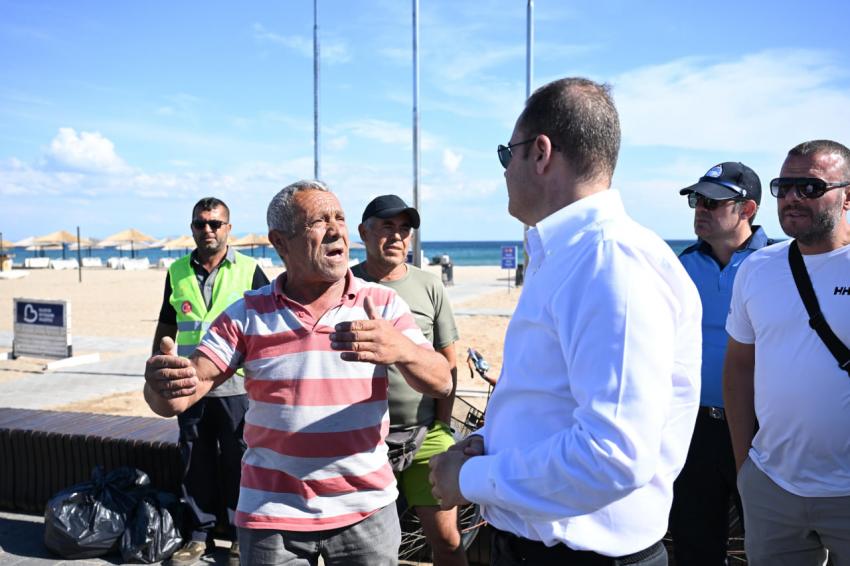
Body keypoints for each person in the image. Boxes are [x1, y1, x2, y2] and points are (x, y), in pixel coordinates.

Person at [429, 77, 702, 565]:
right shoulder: (572, 254)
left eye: (505, 154)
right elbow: (553, 399)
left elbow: (612, 455)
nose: (505, 170)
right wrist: (489, 444)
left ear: (540, 152)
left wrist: (469, 480)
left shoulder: (608, 260)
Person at [145, 180, 452, 566]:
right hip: (272, 515)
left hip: (366, 509)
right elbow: (184, 391)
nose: (337, 229)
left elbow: (442, 380)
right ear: (281, 241)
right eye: (319, 221)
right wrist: (161, 387)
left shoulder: (381, 303)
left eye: (339, 217)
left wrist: (402, 349)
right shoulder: (247, 314)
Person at [724, 140, 850, 566]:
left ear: (847, 195)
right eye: (784, 186)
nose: (793, 197)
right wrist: (746, 467)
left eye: (810, 187)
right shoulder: (757, 269)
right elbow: (739, 368)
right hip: (773, 486)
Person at [152, 196, 269, 566]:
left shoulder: (251, 271)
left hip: (237, 385)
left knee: (240, 459)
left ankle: (238, 536)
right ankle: (198, 536)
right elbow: (168, 325)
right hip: (189, 384)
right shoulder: (176, 272)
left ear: (228, 228)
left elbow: (268, 327)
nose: (208, 230)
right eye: (201, 223)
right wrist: (160, 367)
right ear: (192, 228)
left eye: (215, 223)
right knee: (194, 459)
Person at [351, 195, 465, 566]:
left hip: (424, 433)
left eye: (404, 229)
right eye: (387, 227)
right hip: (361, 438)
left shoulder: (429, 286)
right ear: (363, 233)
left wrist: (444, 427)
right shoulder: (343, 284)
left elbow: (450, 362)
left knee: (447, 540)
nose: (397, 237)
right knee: (363, 547)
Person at [671, 162, 773, 565]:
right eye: (697, 200)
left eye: (713, 202)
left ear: (747, 210)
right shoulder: (682, 265)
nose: (701, 209)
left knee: (768, 545)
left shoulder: (778, 263)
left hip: (763, 426)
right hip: (692, 426)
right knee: (694, 544)